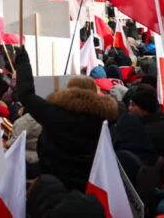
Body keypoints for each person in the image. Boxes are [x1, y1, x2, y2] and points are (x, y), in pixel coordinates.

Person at [13, 46, 119, 190]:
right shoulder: (107, 118)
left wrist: (22, 62)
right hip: (93, 184)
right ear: (95, 91)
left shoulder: (53, 113)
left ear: (69, 90)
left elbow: (26, 95)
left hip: (54, 184)